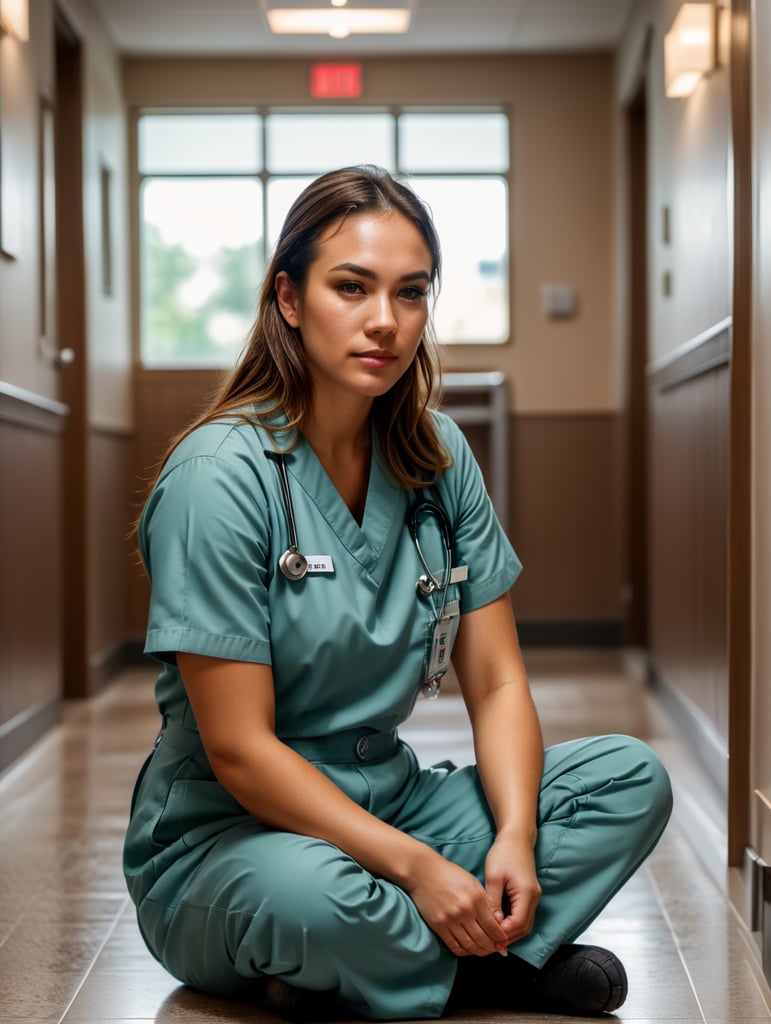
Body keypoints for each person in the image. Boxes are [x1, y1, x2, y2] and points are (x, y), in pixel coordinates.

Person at [123, 164, 672, 1022]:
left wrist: (517, 839)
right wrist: (420, 870)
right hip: (230, 841)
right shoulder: (217, 477)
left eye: (409, 293)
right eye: (351, 287)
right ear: (290, 300)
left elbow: (495, 683)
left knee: (626, 780)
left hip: (391, 802)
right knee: (321, 899)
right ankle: (493, 965)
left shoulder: (436, 455)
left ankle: (376, 970)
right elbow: (236, 750)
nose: (384, 320)